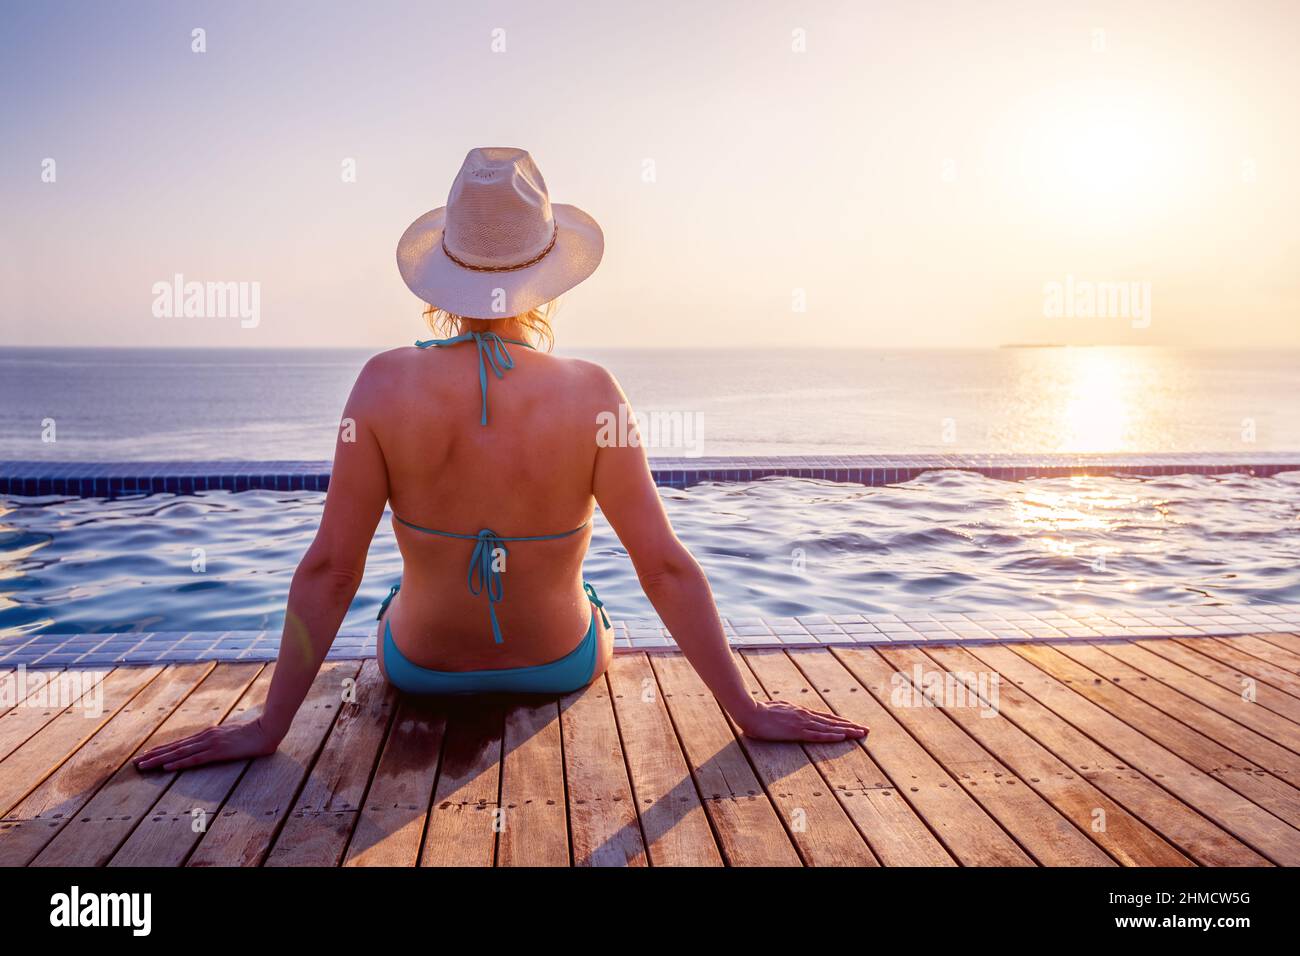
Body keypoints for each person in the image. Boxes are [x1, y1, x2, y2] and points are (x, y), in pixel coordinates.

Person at [136, 147, 866, 772]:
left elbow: (331, 569)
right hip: (559, 665)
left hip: (420, 671)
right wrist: (745, 708)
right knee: (598, 604)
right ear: (547, 269)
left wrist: (268, 728)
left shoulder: (381, 384)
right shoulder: (594, 392)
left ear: (446, 270)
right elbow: (664, 565)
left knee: (395, 598)